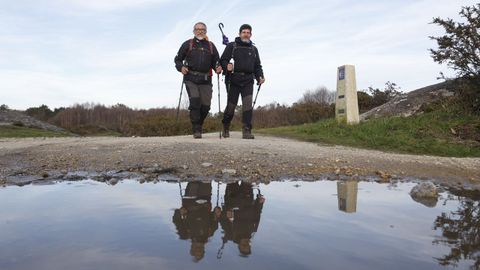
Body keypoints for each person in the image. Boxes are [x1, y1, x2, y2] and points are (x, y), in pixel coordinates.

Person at [174, 22, 222, 138]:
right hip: (191, 78)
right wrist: (181, 67)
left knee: (206, 106)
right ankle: (196, 128)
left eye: (202, 29)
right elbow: (177, 59)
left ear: (206, 31)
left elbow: (216, 61)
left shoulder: (211, 46)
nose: (200, 31)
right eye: (198, 29)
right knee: (195, 101)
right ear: (194, 31)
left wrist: (218, 68)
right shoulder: (188, 44)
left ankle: (199, 123)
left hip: (206, 79)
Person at [220, 24, 265, 139]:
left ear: (251, 35)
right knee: (231, 106)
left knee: (247, 105)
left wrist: (260, 76)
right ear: (239, 34)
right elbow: (223, 60)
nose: (246, 34)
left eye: (248, 32)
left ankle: (246, 130)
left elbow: (257, 66)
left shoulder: (254, 49)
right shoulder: (232, 46)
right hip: (233, 79)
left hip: (248, 80)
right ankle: (226, 125)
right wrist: (227, 66)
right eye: (244, 32)